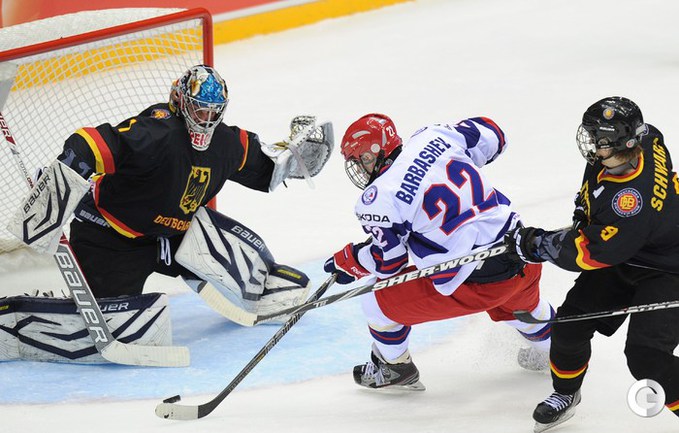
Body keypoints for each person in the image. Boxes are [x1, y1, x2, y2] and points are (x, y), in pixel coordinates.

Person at [4, 65, 334, 363]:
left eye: (213, 111)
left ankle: (259, 283)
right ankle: (15, 318)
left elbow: (265, 168)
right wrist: (62, 177)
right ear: (180, 100)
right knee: (122, 326)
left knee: (220, 242)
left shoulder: (226, 143)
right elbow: (88, 144)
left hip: (174, 237)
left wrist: (296, 159)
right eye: (199, 109)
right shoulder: (156, 133)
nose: (206, 119)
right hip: (111, 238)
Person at [322, 113, 555, 391]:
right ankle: (556, 351)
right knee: (525, 309)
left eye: (362, 159)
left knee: (375, 300)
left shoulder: (378, 197)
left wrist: (352, 260)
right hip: (523, 254)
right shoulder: (433, 136)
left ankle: (394, 367)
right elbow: (495, 135)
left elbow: (390, 263)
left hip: (475, 284)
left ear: (375, 153)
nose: (360, 169)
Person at [506, 96, 679, 432]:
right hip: (635, 248)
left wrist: (537, 245)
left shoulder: (630, 204)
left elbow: (589, 253)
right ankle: (566, 393)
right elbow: (603, 224)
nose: (589, 142)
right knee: (568, 327)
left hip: (668, 269)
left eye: (596, 137)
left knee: (647, 357)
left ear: (616, 143)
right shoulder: (646, 139)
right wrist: (584, 213)